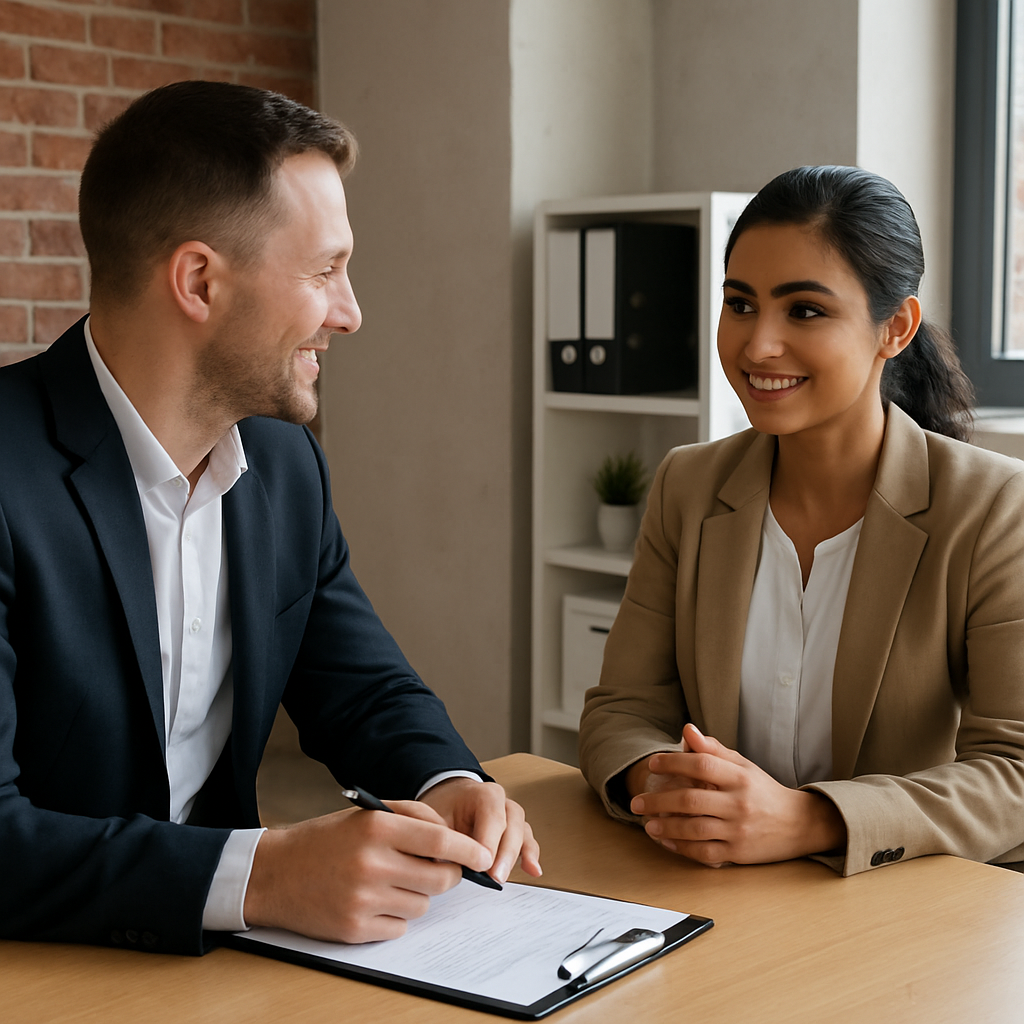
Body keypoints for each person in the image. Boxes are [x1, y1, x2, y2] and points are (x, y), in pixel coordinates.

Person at [0, 80, 540, 955]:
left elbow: (362, 689)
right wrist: (266, 876)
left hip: (222, 978)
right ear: (200, 281)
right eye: (325, 271)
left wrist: (444, 780)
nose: (350, 313)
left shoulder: (287, 466)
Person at [578, 165, 1024, 876]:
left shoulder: (994, 506)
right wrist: (676, 789)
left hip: (898, 906)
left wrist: (808, 819)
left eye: (805, 311)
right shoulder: (688, 486)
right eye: (740, 304)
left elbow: (1014, 771)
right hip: (713, 887)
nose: (757, 345)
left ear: (895, 328)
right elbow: (621, 710)